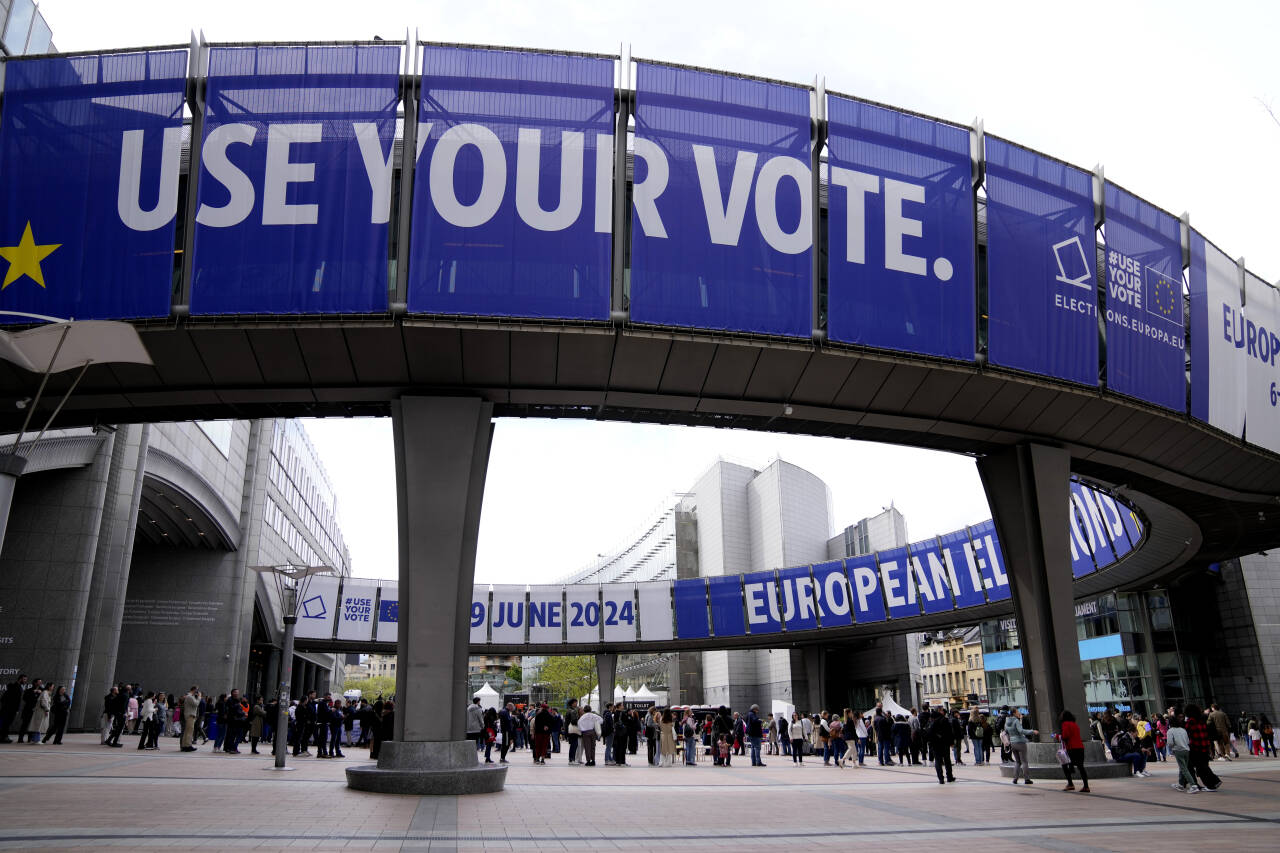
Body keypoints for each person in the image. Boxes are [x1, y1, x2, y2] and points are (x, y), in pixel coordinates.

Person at [1183, 704, 1221, 791]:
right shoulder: (1201, 721)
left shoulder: (1190, 722)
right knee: (1202, 766)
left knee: (1198, 767)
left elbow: (1188, 735)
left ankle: (1212, 783)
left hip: (1195, 747)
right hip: (1204, 746)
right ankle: (1211, 783)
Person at [1058, 710, 1090, 793]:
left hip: (1072, 748)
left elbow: (1065, 736)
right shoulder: (1075, 724)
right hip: (1080, 747)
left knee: (1064, 764)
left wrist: (1058, 736)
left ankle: (1070, 784)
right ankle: (1086, 786)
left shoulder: (1065, 724)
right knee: (1081, 767)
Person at [1005, 707, 1037, 784]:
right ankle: (1027, 779)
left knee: (1017, 762)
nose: (1018, 712)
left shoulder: (1006, 722)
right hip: (1020, 742)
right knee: (1024, 761)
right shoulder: (1016, 721)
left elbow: (1006, 731)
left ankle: (1015, 779)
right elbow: (1021, 731)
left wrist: (1020, 720)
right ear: (1014, 713)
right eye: (1017, 711)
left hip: (1012, 743)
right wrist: (1032, 731)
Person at [1167, 714, 1198, 793]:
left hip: (1178, 750)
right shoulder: (1183, 729)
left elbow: (1170, 743)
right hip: (1186, 750)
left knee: (1184, 769)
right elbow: (1187, 741)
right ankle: (1180, 784)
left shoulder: (1170, 731)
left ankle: (1193, 785)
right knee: (1183, 768)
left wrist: (1173, 747)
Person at [928, 709, 956, 784]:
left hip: (936, 745)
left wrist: (931, 743)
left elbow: (930, 734)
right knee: (947, 760)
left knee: (938, 761)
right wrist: (952, 743)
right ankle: (949, 777)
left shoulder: (933, 723)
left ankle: (941, 779)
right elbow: (950, 732)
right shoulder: (945, 720)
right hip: (945, 743)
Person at [17, 678, 44, 743]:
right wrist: (33, 693)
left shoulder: (42, 690)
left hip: (37, 710)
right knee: (25, 724)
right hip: (28, 710)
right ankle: (20, 738)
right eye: (39, 682)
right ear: (35, 683)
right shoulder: (29, 690)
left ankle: (30, 738)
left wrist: (40, 693)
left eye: (41, 682)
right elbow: (25, 698)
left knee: (33, 725)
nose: (40, 683)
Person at [181, 687, 201, 752]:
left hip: (189, 715)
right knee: (189, 731)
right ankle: (188, 745)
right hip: (190, 715)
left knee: (187, 731)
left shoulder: (189, 696)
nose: (198, 692)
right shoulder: (190, 696)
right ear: (194, 690)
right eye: (197, 690)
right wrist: (199, 697)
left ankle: (184, 745)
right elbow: (196, 704)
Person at [564, 699, 580, 765]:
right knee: (574, 745)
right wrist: (579, 720)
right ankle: (571, 760)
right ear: (572, 703)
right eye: (576, 702)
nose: (576, 704)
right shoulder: (573, 711)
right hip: (573, 730)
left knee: (573, 745)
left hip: (569, 730)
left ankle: (571, 759)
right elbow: (574, 721)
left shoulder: (568, 710)